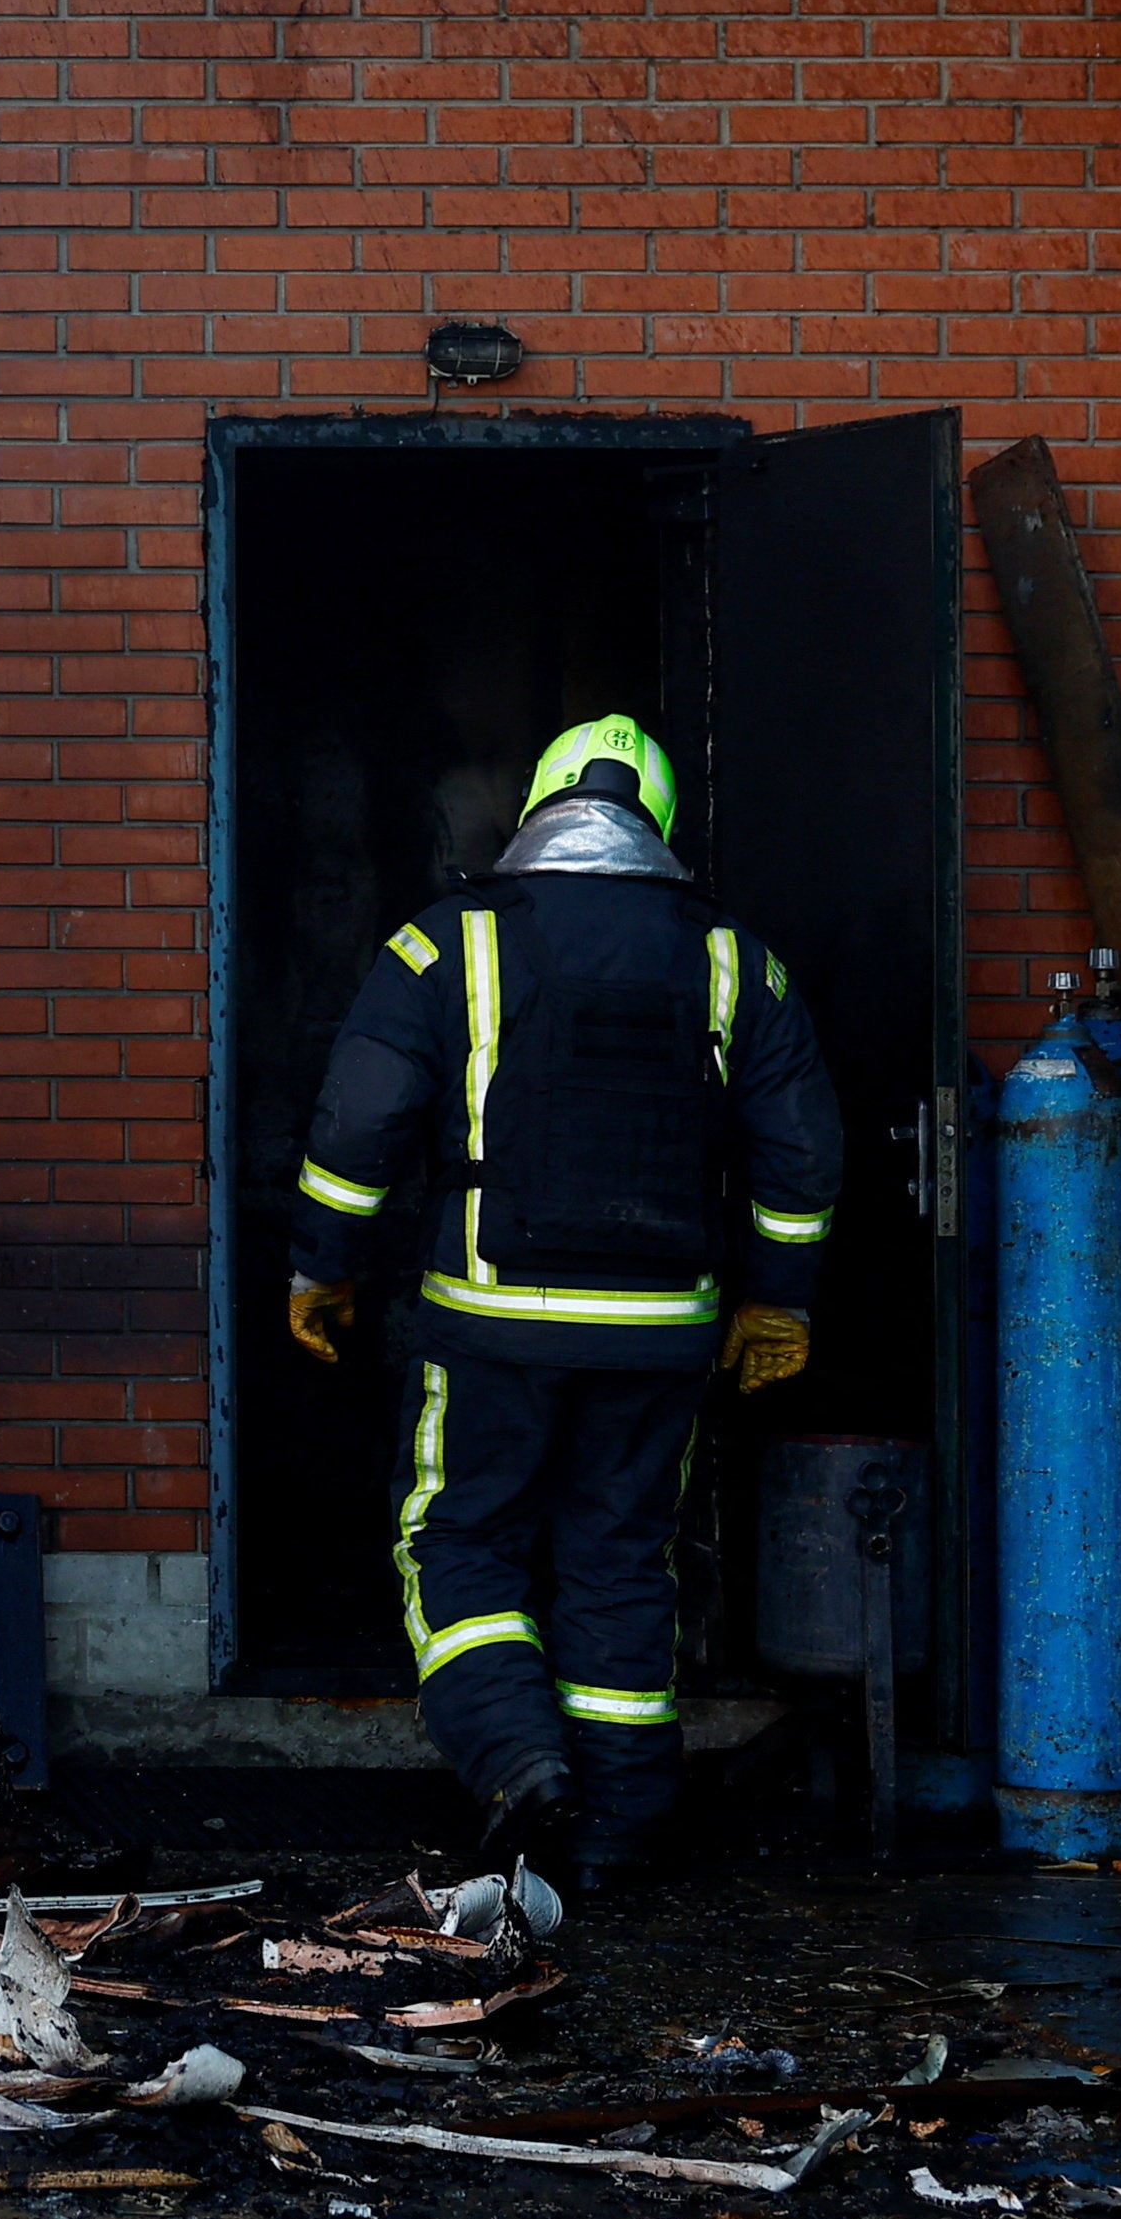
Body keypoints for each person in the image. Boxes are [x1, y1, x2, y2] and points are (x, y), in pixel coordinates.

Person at [281, 712, 841, 1883]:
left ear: (536, 809)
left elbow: (357, 1125)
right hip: (657, 1335)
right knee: (621, 1556)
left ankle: (517, 1761)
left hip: (488, 1324)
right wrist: (774, 1299)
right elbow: (799, 1153)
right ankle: (620, 1831)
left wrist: (323, 1265)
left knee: (458, 1540)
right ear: (658, 823)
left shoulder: (447, 946)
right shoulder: (735, 957)